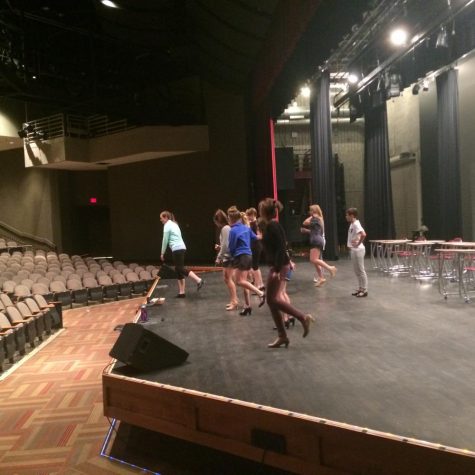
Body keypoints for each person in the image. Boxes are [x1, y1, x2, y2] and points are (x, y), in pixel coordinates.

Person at [258, 197, 314, 348]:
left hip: (278, 267)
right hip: (278, 265)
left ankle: (302, 318)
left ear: (264, 211)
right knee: (272, 301)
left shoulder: (273, 226)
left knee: (272, 300)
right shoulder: (271, 225)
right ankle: (283, 335)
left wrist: (276, 269)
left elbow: (281, 248)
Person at [227, 206, 265, 316]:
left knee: (239, 281)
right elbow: (256, 237)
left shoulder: (233, 230)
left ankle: (260, 293)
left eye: (229, 218)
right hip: (249, 256)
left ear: (231, 219)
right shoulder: (246, 228)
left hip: (241, 257)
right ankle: (247, 306)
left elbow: (232, 247)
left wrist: (232, 258)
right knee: (244, 281)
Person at [160, 210, 204, 298]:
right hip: (180, 247)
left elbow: (165, 240)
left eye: (161, 218)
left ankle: (199, 280)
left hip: (177, 248)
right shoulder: (174, 224)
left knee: (180, 268)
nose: (160, 220)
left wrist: (162, 253)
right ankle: (182, 292)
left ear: (166, 217)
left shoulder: (167, 225)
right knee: (178, 269)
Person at [301, 204, 337, 286]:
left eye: (311, 210)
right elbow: (314, 231)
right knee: (315, 261)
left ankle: (330, 268)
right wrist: (307, 230)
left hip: (316, 241)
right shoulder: (319, 219)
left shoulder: (316, 218)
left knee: (313, 259)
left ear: (314, 211)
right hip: (317, 240)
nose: (309, 212)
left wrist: (312, 216)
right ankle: (321, 277)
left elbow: (305, 222)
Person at [213, 209, 239, 310]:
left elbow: (225, 245)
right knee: (228, 279)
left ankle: (234, 301)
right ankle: (234, 300)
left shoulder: (225, 228)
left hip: (228, 257)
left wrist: (218, 257)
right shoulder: (227, 228)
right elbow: (225, 244)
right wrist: (220, 248)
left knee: (228, 279)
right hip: (229, 256)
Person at [345, 207, 368, 297]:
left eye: (347, 215)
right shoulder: (352, 224)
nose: (346, 217)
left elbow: (363, 234)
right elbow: (358, 234)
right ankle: (360, 288)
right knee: (357, 271)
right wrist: (356, 239)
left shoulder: (356, 224)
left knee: (361, 270)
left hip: (358, 250)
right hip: (354, 249)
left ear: (352, 215)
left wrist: (358, 243)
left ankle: (364, 290)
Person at [245, 207, 264, 291]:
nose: (248, 217)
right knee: (253, 266)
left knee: (255, 266)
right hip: (252, 245)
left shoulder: (256, 224)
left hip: (256, 246)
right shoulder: (250, 224)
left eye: (250, 215)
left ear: (254, 215)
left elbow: (260, 236)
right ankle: (259, 284)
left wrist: (252, 235)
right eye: (247, 215)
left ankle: (259, 285)